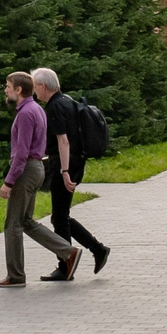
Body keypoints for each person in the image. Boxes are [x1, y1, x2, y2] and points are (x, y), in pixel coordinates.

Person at [0, 71, 80, 288]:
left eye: (8, 86)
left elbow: (21, 153)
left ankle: (15, 276)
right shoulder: (37, 109)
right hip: (38, 167)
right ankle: (68, 252)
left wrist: (9, 182)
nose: (6, 89)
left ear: (19, 90)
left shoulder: (25, 113)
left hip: (26, 169)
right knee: (26, 222)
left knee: (12, 224)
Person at [35, 66, 109, 277]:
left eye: (35, 87)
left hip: (66, 164)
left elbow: (63, 141)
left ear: (42, 86)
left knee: (59, 217)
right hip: (75, 162)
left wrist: (64, 171)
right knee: (60, 216)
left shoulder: (55, 107)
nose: (34, 91)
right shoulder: (67, 100)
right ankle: (97, 250)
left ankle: (66, 265)